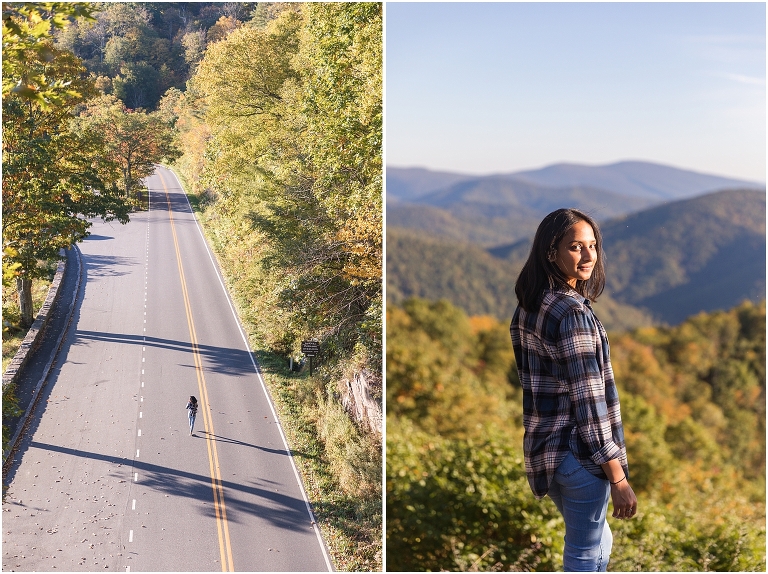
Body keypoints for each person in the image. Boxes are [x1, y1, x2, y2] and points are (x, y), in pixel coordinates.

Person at [509, 208, 637, 572]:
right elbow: (589, 402)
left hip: (547, 452)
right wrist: (618, 478)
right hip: (580, 455)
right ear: (552, 252)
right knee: (584, 555)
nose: (588, 256)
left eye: (593, 245)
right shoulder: (571, 314)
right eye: (575, 247)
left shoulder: (531, 305)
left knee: (599, 543)